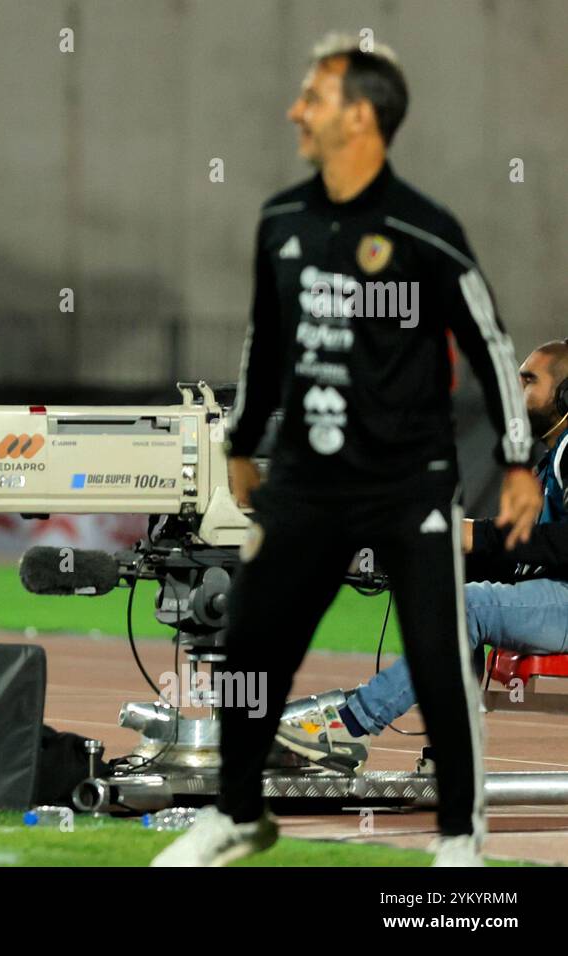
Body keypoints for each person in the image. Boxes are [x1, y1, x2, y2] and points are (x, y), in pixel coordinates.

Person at [152, 33, 540, 868]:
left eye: (314, 97)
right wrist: (244, 443)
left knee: (439, 651)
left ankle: (458, 841)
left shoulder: (426, 232)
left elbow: (494, 347)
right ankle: (235, 816)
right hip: (305, 482)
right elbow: (266, 345)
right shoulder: (281, 221)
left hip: (410, 485)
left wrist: (516, 460)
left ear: (360, 116)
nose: (296, 109)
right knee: (255, 642)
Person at [276, 342, 568, 753]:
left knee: (465, 607)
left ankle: (352, 725)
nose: (514, 390)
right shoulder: (554, 456)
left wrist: (477, 535)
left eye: (529, 381)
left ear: (565, 394)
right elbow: (531, 561)